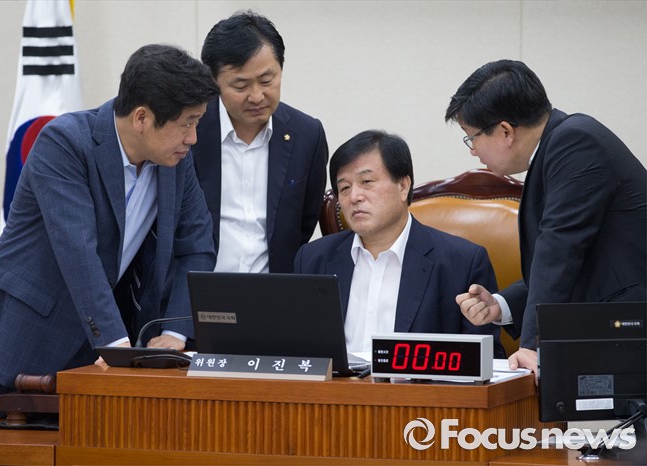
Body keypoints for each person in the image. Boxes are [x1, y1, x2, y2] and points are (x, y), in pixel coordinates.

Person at [0, 44, 219, 430]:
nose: (193, 138)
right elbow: (78, 251)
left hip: (90, 357)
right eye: (187, 123)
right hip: (11, 340)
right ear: (142, 118)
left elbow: (197, 244)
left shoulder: (175, 160)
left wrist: (175, 333)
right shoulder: (64, 143)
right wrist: (118, 348)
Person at [445, 59, 647, 373]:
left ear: (505, 131)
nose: (473, 151)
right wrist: (500, 305)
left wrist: (531, 344)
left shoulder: (575, 142)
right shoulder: (560, 144)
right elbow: (564, 265)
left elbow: (559, 252)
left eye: (471, 138)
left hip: (630, 334)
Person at [293, 130, 504, 357]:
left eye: (367, 182)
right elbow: (296, 351)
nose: (354, 197)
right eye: (344, 188)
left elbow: (486, 360)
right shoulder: (313, 259)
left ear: (403, 186)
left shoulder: (461, 263)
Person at [193, 11, 328, 273]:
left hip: (273, 290)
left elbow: (304, 225)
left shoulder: (307, 135)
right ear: (213, 82)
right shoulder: (190, 130)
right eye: (240, 86)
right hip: (197, 287)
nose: (256, 96)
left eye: (267, 81)